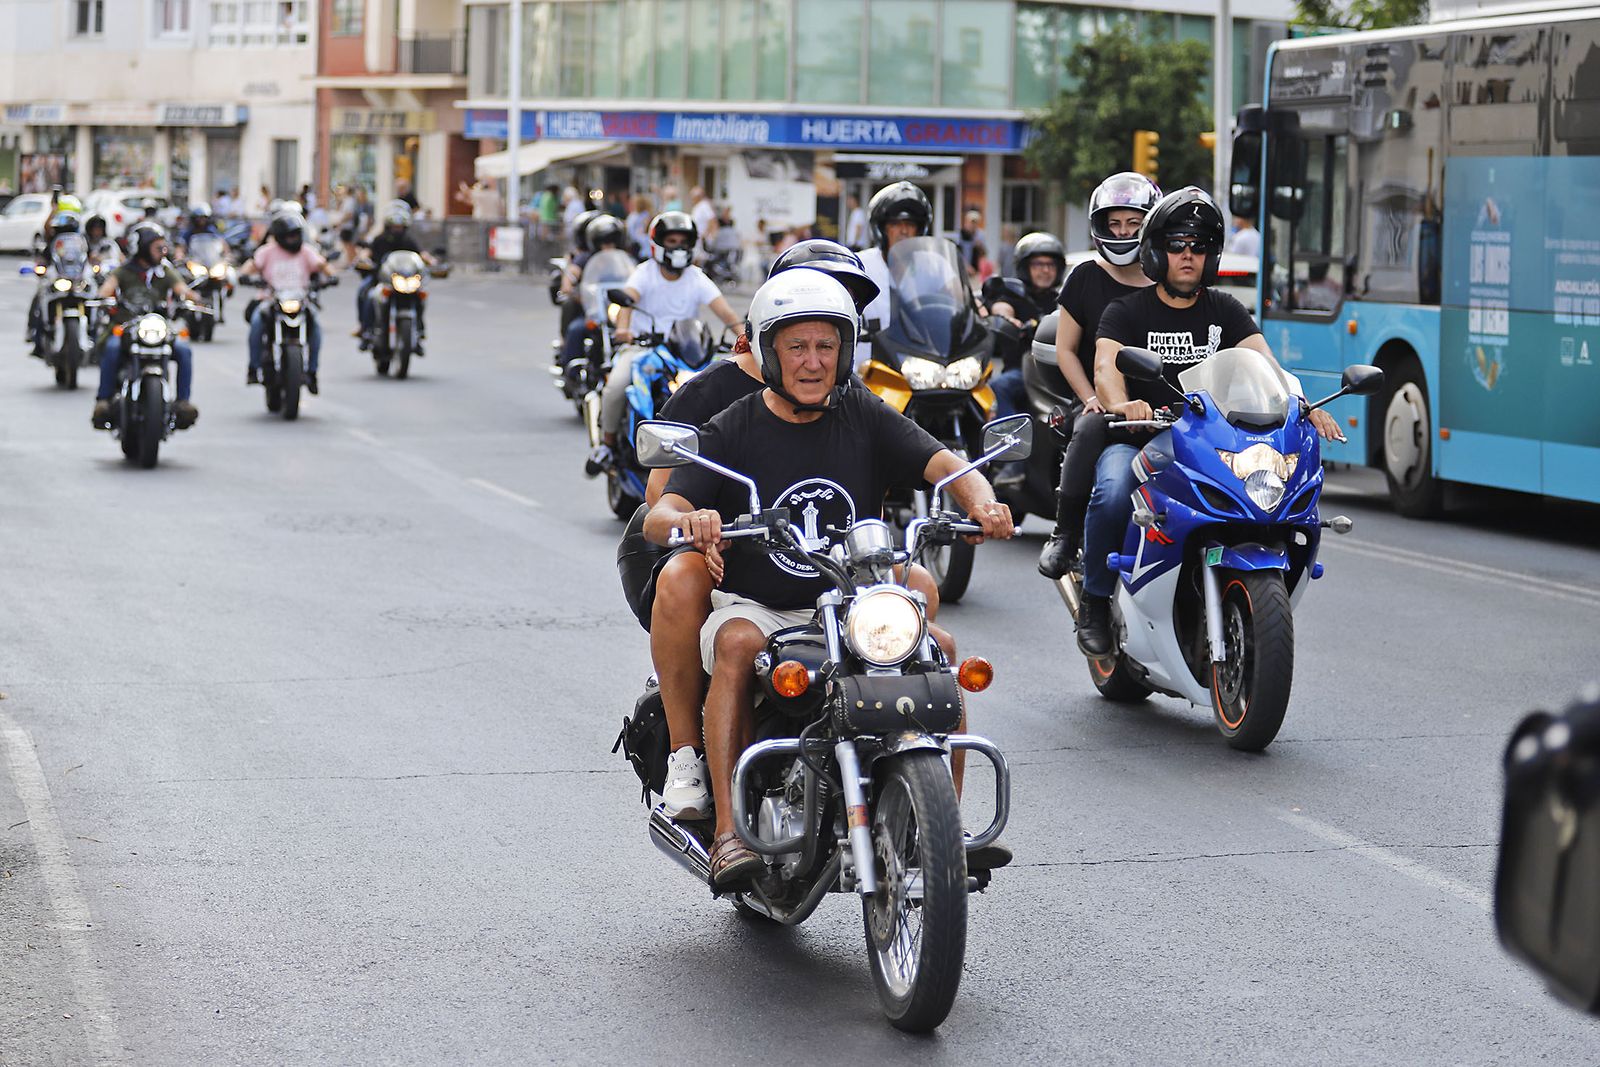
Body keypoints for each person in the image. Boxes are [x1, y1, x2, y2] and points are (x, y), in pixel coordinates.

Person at [641, 269, 1016, 886]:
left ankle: (940, 825)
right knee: (736, 643)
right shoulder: (734, 425)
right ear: (768, 350)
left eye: (827, 346)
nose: (813, 362)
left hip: (849, 603)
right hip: (759, 603)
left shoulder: (862, 413)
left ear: (845, 353)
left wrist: (981, 500)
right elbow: (661, 513)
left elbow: (947, 464)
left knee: (938, 649)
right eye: (797, 346)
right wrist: (693, 519)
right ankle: (729, 832)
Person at [633, 242, 883, 818]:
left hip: (812, 561)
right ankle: (685, 756)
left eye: (836, 320)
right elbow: (659, 501)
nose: (814, 352)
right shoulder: (713, 396)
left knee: (915, 585)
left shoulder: (851, 396)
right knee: (685, 575)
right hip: (707, 548)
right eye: (799, 335)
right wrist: (707, 534)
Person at [1072, 187, 1345, 656]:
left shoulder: (1225, 309)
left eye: (1199, 247)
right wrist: (1123, 406)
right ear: (1157, 252)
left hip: (1206, 440)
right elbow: (1106, 366)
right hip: (1143, 436)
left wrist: (1303, 402)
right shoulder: (1126, 310)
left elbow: (1268, 365)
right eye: (1177, 244)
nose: (1187, 256)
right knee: (1113, 489)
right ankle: (1095, 602)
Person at [1036, 172, 1162, 580]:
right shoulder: (1085, 278)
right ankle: (1065, 534)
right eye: (1115, 224)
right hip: (1103, 406)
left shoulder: (1166, 282)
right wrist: (1091, 396)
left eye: (1133, 223)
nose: (1123, 232)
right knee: (1088, 429)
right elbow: (1066, 350)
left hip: (1165, 409)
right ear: (1100, 227)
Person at [586, 211, 741, 475]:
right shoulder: (644, 273)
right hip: (643, 347)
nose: (678, 247)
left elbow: (726, 313)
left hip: (686, 352)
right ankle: (607, 446)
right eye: (672, 241)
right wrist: (624, 330)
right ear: (658, 244)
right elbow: (628, 301)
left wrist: (744, 336)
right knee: (615, 386)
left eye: (683, 241)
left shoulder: (696, 277)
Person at [90, 227, 200, 429]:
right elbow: (105, 290)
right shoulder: (123, 271)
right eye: (157, 247)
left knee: (184, 350)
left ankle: (183, 402)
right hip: (126, 326)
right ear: (142, 248)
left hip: (158, 328)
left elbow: (183, 290)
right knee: (112, 348)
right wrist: (106, 299)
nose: (162, 251)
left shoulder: (164, 271)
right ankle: (103, 400)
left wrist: (193, 300)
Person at [238, 213, 336, 394]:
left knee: (316, 327)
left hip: (301, 300)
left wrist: (332, 276)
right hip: (271, 300)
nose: (294, 239)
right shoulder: (266, 252)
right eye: (290, 235)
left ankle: (312, 371)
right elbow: (250, 266)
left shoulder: (306, 251)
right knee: (257, 323)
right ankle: (253, 367)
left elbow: (323, 266)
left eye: (296, 234)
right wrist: (244, 276)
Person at [987, 231, 1068, 422]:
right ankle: (1013, 440)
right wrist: (1006, 319)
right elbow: (1001, 307)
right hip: (1021, 371)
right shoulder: (1015, 295)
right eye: (1038, 264)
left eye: (1050, 265)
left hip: (1056, 373)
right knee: (1000, 386)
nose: (1045, 270)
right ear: (1025, 267)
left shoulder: (1063, 299)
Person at [856, 180, 933, 370]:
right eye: (895, 224)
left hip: (920, 370)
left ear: (920, 229)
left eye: (910, 224)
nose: (904, 230)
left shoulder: (932, 266)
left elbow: (956, 300)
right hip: (864, 374)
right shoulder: (858, 265)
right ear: (882, 228)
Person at [356, 201, 436, 352]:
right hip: (382, 279)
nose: (397, 229)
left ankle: (418, 330)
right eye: (394, 226)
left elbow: (420, 255)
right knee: (367, 294)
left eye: (400, 227)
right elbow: (368, 252)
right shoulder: (380, 239)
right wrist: (364, 260)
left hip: (405, 280)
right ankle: (366, 330)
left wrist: (432, 261)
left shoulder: (408, 240)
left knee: (421, 296)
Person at [556, 213, 630, 371]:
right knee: (576, 329)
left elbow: (636, 276)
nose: (608, 246)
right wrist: (568, 284)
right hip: (594, 310)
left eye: (612, 242)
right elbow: (572, 273)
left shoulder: (626, 259)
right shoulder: (585, 258)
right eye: (604, 242)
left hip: (619, 310)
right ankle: (570, 370)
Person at [689, 185, 718, 257]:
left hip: (702, 240)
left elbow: (712, 220)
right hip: (697, 238)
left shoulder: (704, 205)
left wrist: (706, 235)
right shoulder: (697, 206)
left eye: (692, 196)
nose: (691, 198)